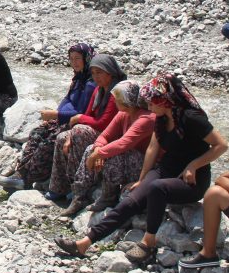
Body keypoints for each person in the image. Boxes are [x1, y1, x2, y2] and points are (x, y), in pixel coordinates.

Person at [55, 73, 228, 265]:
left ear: (165, 101)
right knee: (132, 200)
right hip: (167, 170)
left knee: (157, 189)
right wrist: (143, 178)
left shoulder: (191, 118)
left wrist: (194, 165)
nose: (148, 107)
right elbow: (153, 148)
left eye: (152, 103)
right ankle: (85, 242)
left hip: (191, 180)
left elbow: (221, 146)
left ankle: (148, 242)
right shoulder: (161, 118)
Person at [57, 80, 154, 216]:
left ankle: (108, 197)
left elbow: (124, 143)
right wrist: (97, 150)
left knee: (114, 154)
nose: (114, 101)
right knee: (91, 148)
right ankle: (79, 195)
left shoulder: (146, 118)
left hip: (145, 165)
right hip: (129, 158)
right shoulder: (124, 114)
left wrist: (98, 155)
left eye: (117, 99)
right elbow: (105, 136)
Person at [46, 54, 127, 213]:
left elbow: (104, 122)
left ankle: (80, 192)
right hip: (95, 130)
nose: (96, 77)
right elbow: (89, 114)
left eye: (100, 73)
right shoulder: (98, 90)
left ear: (110, 73)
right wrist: (71, 133)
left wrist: (79, 120)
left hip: (109, 135)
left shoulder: (115, 92)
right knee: (63, 137)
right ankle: (60, 186)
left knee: (79, 132)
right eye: (94, 73)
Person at [16, 43, 97, 190]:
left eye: (78, 58)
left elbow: (82, 112)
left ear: (87, 59)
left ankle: (31, 178)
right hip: (64, 119)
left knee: (48, 141)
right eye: (71, 59)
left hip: (78, 123)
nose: (74, 62)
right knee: (36, 133)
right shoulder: (78, 78)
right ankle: (21, 173)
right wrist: (56, 117)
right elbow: (67, 99)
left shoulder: (91, 83)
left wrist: (57, 115)